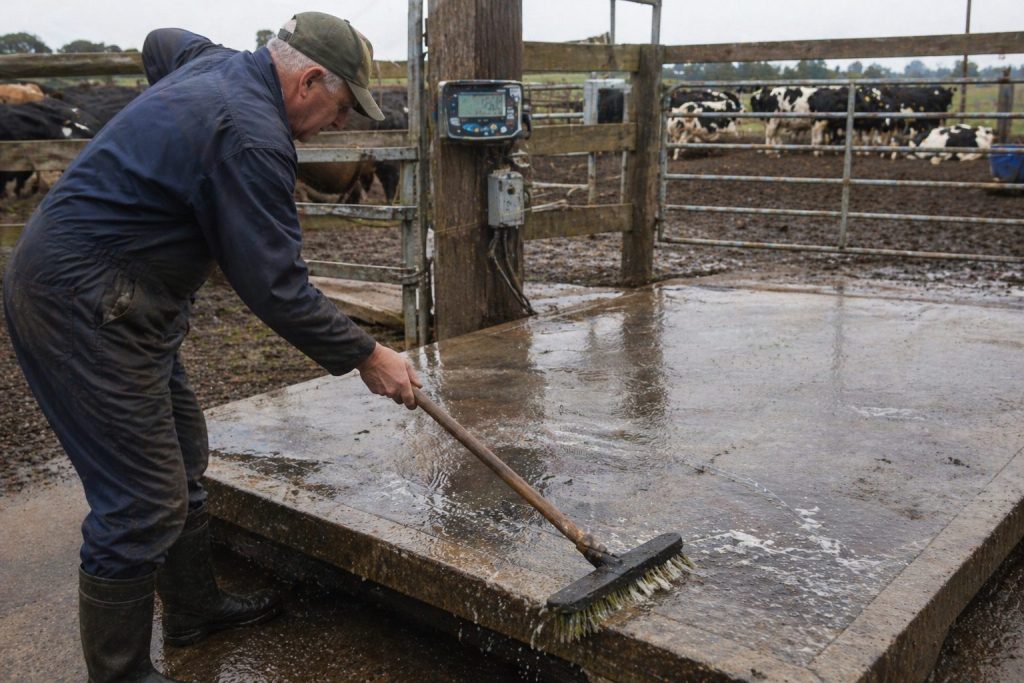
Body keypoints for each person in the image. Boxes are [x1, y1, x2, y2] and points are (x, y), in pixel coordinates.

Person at [2, 12, 420, 683]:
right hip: (85, 303)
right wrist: (370, 354)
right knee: (141, 498)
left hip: (130, 299)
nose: (341, 128)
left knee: (185, 452)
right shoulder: (255, 138)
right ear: (309, 78)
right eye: (341, 109)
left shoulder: (214, 63)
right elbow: (278, 290)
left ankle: (194, 607)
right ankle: (121, 673)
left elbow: (158, 41)